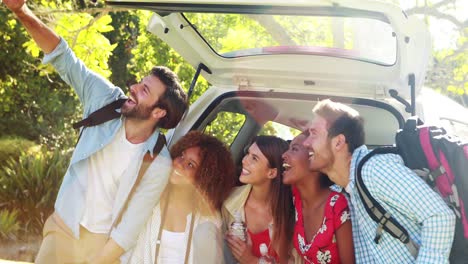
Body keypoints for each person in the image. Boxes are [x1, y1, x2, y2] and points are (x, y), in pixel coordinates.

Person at [4, 0, 188, 263]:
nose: (134, 88)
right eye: (140, 82)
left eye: (145, 90)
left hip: (100, 247)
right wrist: (21, 11)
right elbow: (63, 57)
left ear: (159, 113)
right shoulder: (106, 100)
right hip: (64, 226)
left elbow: (128, 231)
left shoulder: (159, 163)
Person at [302, 99, 456, 263]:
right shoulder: (349, 188)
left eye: (313, 134)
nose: (306, 142)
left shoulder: (373, 170)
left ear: (338, 142)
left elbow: (439, 216)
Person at [121, 131, 237, 264]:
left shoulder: (208, 221)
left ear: (204, 179)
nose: (179, 164)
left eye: (190, 165)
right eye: (181, 155)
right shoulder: (151, 199)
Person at [282, 131, 354, 264]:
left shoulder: (337, 205)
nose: (284, 155)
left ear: (313, 157)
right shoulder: (296, 199)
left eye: (294, 149)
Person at [223, 135, 295, 264]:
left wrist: (251, 261)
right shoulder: (229, 201)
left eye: (254, 158)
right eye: (248, 154)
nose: (244, 160)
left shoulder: (291, 215)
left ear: (272, 173)